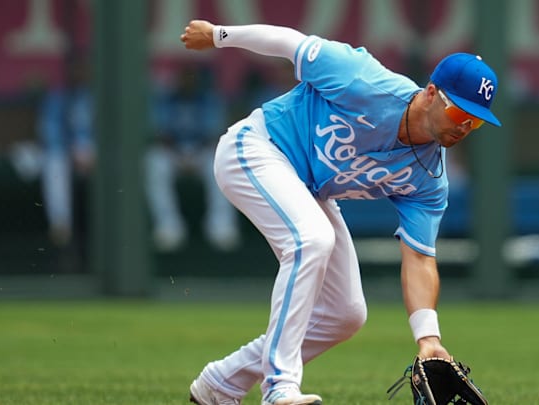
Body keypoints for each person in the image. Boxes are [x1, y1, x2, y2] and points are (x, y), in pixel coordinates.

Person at [180, 19, 501, 405]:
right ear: (431, 93)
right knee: (312, 238)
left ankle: (221, 384)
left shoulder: (429, 178)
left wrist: (428, 338)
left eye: (476, 121)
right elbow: (290, 43)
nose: (464, 126)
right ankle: (279, 387)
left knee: (344, 314)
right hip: (257, 148)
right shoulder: (364, 79)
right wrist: (218, 35)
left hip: (309, 188)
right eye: (458, 113)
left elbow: (419, 257)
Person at [146, 64, 240, 252]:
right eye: (184, 76)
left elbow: (215, 133)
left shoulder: (208, 99)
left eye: (191, 77)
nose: (188, 81)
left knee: (220, 161)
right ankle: (169, 226)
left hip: (201, 152)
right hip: (173, 153)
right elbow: (160, 133)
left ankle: (220, 226)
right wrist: (179, 154)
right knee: (154, 161)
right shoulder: (166, 99)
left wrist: (193, 154)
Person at [38, 57, 94, 249]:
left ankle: (118, 229)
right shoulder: (58, 96)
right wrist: (72, 152)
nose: (80, 75)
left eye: (84, 70)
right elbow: (49, 130)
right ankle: (61, 224)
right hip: (66, 152)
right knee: (54, 163)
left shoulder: (99, 96)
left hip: (96, 152)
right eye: (76, 70)